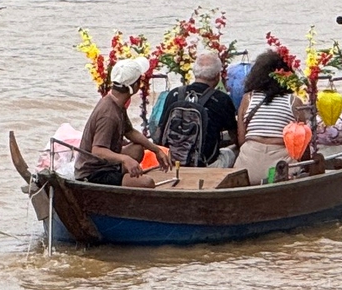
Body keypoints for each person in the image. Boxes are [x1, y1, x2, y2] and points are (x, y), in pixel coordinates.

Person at [76, 57, 174, 187]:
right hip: (94, 173)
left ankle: (124, 177)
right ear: (135, 86)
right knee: (147, 183)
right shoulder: (108, 114)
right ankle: (123, 180)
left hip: (107, 163)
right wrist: (125, 159)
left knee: (137, 149)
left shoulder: (116, 103)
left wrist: (156, 150)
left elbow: (130, 132)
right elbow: (98, 151)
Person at [154, 49, 241, 168]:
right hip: (204, 165)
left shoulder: (174, 94)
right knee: (232, 152)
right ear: (217, 76)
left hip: (171, 162)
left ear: (194, 73)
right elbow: (235, 136)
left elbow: (160, 130)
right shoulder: (221, 99)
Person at [233, 48, 307, 183]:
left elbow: (241, 139)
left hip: (248, 167)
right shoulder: (293, 101)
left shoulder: (248, 99)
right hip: (281, 169)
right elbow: (302, 141)